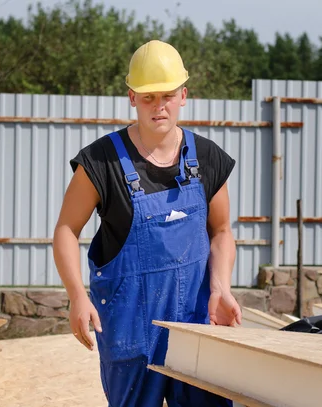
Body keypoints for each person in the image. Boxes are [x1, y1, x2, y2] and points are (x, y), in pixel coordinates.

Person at [53, 39, 242, 407]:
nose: (159, 106)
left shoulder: (207, 159)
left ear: (183, 95)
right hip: (130, 333)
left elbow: (221, 232)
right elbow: (65, 230)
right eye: (148, 97)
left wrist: (221, 287)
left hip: (195, 327)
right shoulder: (100, 163)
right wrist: (77, 296)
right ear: (132, 98)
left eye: (167, 95)